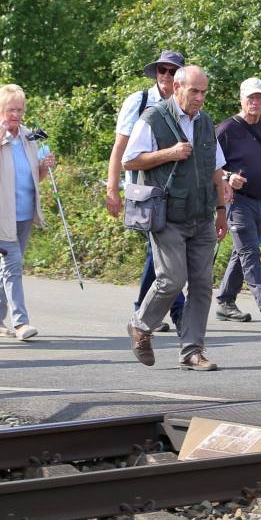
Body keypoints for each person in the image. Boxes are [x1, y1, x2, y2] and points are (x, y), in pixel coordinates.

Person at [123, 65, 239, 370]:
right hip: (167, 214)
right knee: (172, 278)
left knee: (202, 284)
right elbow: (129, 160)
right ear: (177, 88)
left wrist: (221, 210)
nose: (199, 97)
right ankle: (140, 324)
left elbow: (215, 170)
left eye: (203, 92)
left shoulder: (206, 122)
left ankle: (192, 350)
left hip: (201, 214)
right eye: (194, 91)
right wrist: (169, 153)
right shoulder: (153, 119)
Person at [105, 50, 188, 333]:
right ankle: (179, 313)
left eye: (173, 71)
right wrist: (112, 189)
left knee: (159, 251)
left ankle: (143, 305)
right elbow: (121, 149)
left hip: (176, 192)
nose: (166, 76)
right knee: (162, 247)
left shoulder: (184, 104)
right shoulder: (139, 101)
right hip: (144, 191)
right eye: (162, 70)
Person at [0, 84, 54, 341]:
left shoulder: (27, 136)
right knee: (13, 265)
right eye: (9, 110)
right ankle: (21, 322)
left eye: (19, 110)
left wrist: (45, 166)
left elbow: (34, 177)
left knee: (9, 266)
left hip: (25, 211)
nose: (15, 115)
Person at [214, 77, 261, 325]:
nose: (255, 102)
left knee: (242, 250)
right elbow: (208, 164)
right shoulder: (226, 130)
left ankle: (225, 301)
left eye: (259, 97)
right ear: (241, 99)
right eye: (250, 98)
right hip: (237, 201)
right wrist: (227, 176)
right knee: (249, 250)